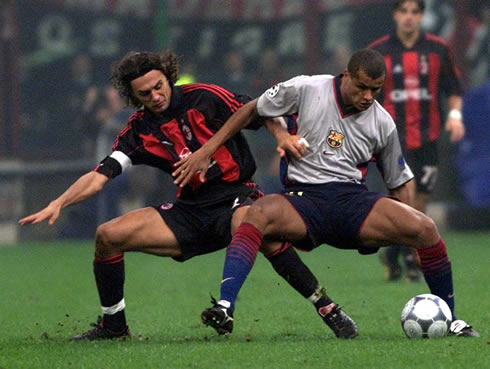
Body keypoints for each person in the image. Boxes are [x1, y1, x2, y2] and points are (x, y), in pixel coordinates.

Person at [19, 50, 357, 340]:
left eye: (158, 86)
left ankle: (327, 308)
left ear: (168, 77)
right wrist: (59, 202)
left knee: (255, 225)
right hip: (190, 211)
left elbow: (260, 109)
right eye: (144, 93)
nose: (155, 96)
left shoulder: (204, 97)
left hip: (237, 197)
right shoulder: (139, 129)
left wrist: (282, 137)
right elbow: (100, 176)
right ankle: (114, 326)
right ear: (134, 97)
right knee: (108, 235)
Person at [173, 48, 479, 338]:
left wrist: (404, 235)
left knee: (425, 227)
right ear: (345, 75)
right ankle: (225, 307)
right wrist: (207, 150)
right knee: (256, 215)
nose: (368, 96)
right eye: (361, 87)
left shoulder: (382, 122)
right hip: (305, 200)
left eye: (376, 89)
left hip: (354, 202)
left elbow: (397, 181)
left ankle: (451, 318)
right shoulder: (308, 88)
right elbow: (254, 108)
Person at [367, 0, 466, 283]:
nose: (409, 18)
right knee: (403, 198)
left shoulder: (437, 49)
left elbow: (453, 88)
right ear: (395, 15)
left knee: (420, 201)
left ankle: (395, 251)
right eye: (404, 11)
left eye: (414, 12)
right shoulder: (379, 51)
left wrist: (456, 115)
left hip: (429, 136)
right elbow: (364, 92)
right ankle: (411, 257)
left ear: (421, 16)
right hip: (392, 137)